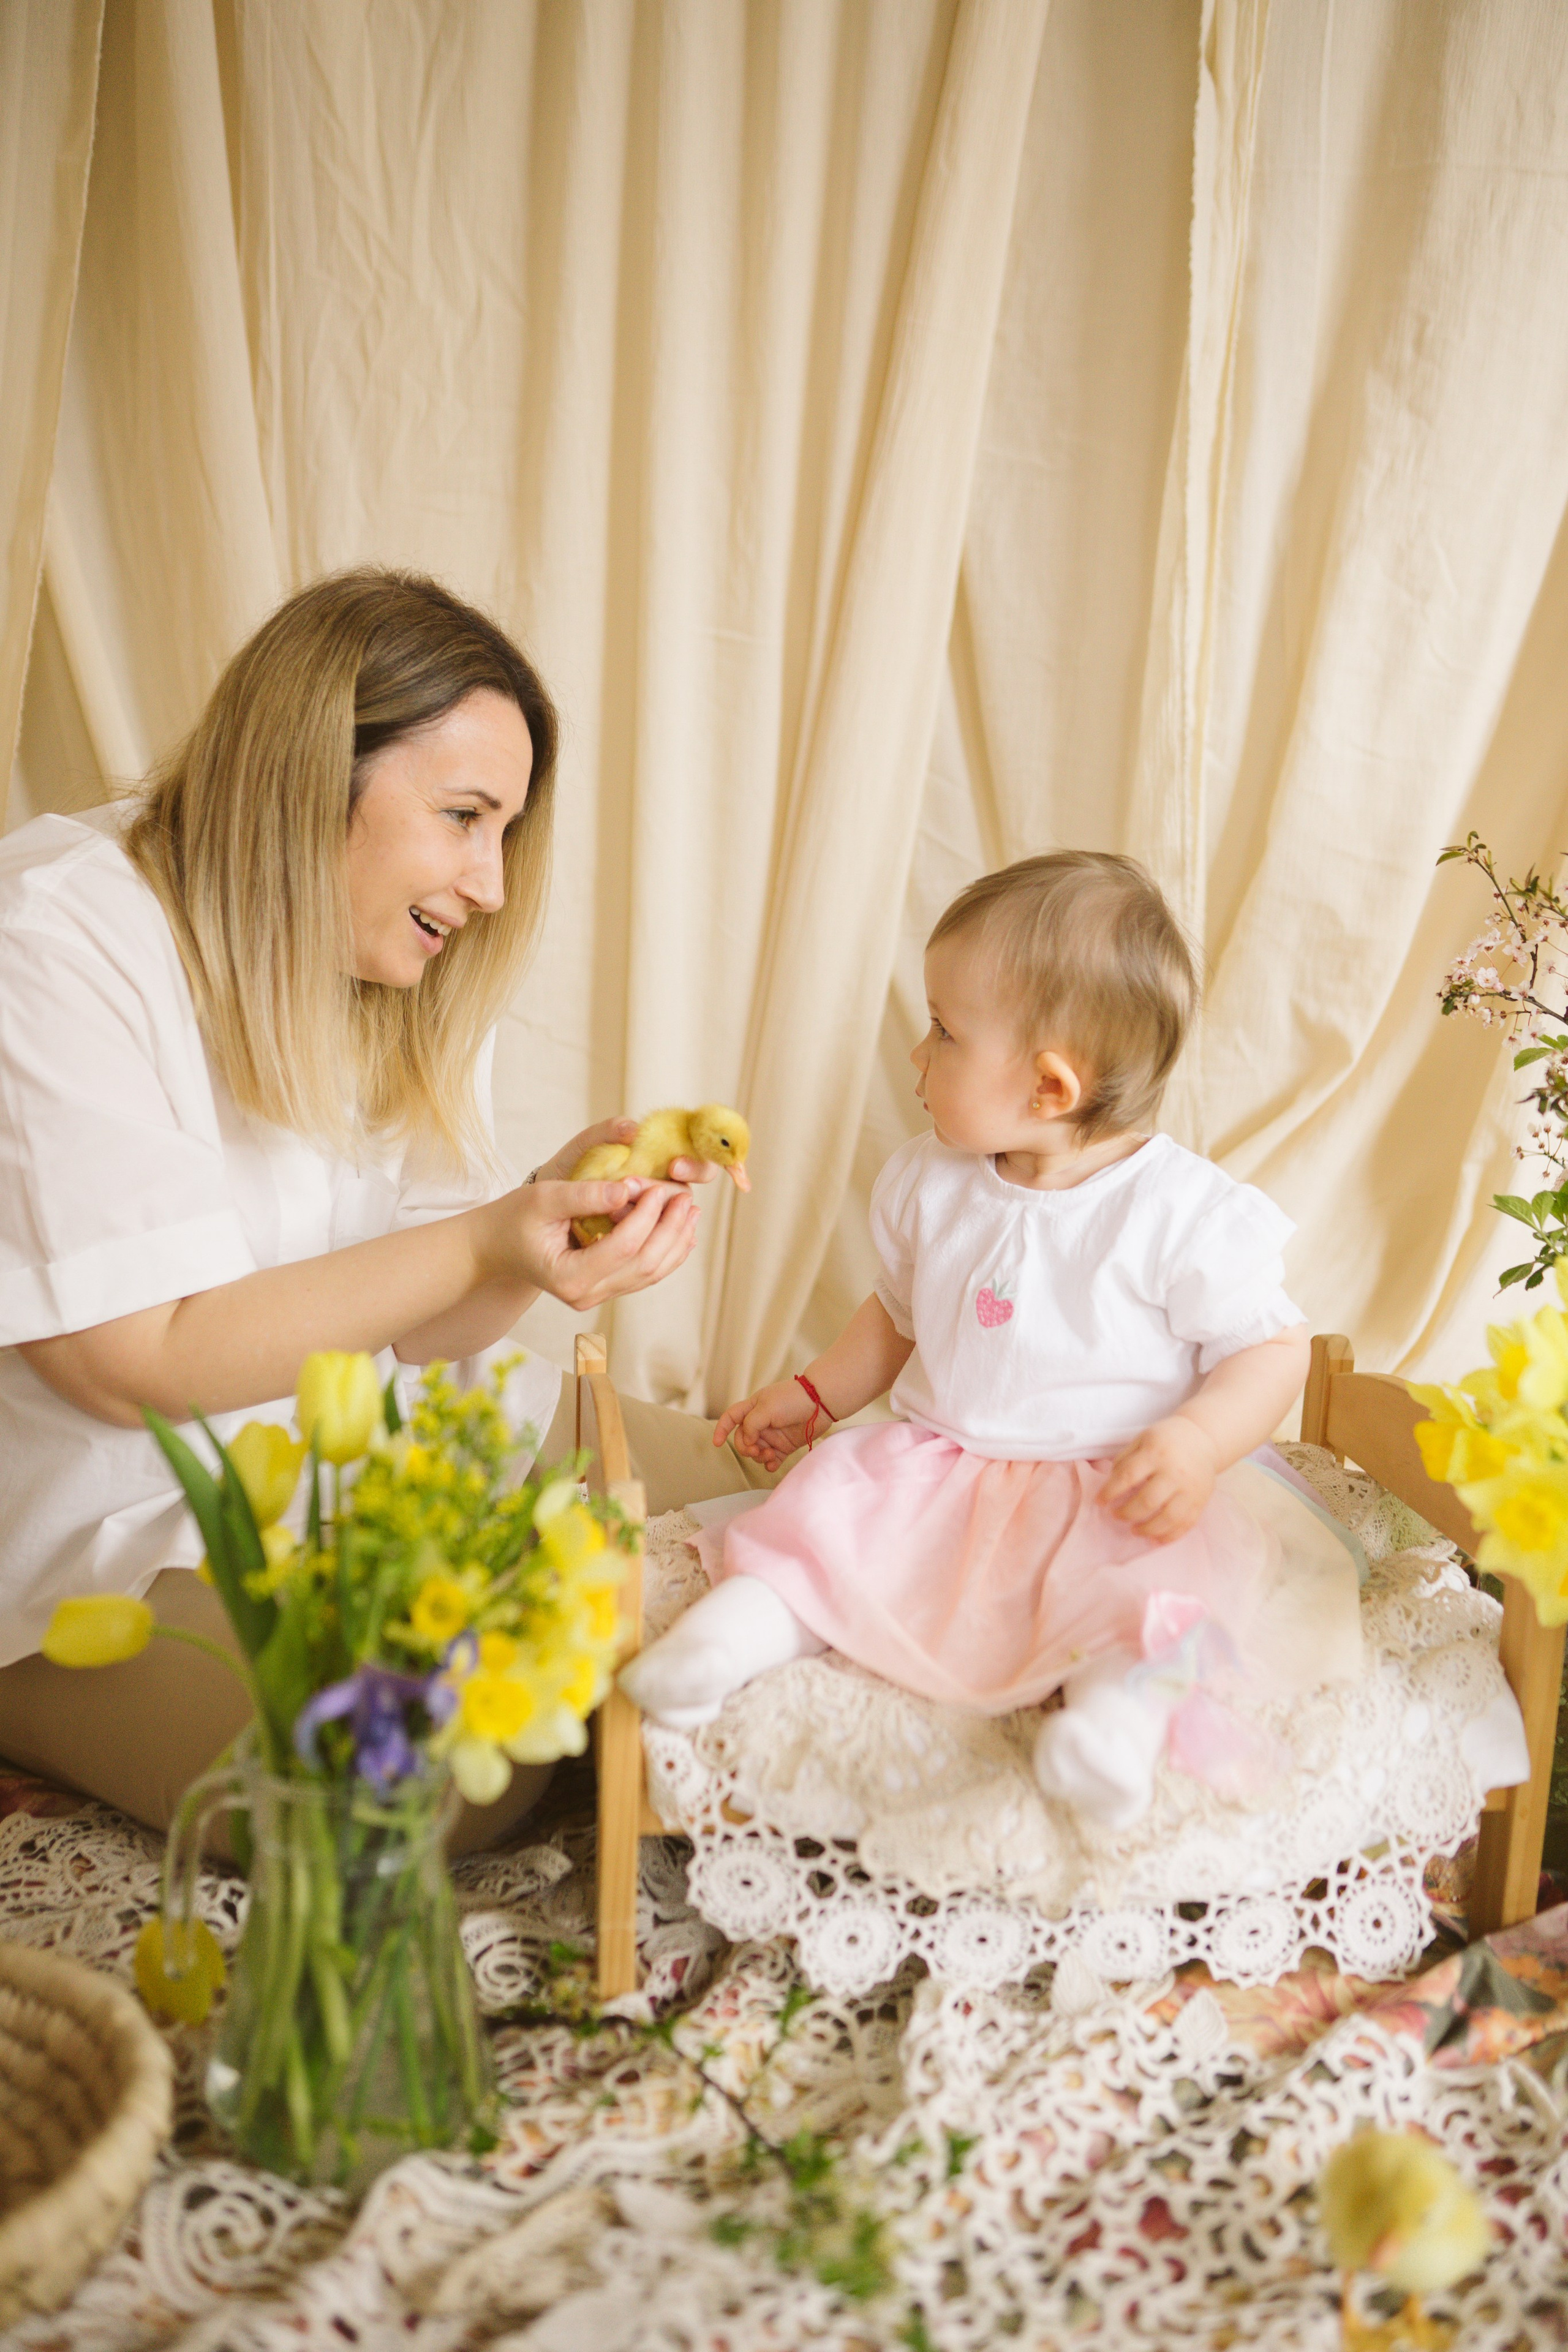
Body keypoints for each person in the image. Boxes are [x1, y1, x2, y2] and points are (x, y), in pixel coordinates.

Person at [0, 568, 767, 1844]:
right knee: (440, 1771)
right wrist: (480, 1241)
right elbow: (131, 1363)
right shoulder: (58, 934)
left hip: (354, 1448)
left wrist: (535, 1228)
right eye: (464, 816)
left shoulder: (386, 955)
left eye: (503, 831)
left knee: (766, 1496)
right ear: (310, 778)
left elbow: (422, 1329)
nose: (491, 885)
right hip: (104, 1516)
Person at [622, 852, 1365, 1830]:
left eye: (945, 1032)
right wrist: (812, 1398)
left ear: (1050, 1087)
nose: (918, 1056)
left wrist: (1196, 1443)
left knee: (1148, 1604)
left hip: (1112, 1488)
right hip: (941, 1468)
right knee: (827, 1530)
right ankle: (725, 1642)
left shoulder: (1180, 1214)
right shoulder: (933, 1182)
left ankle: (1114, 1729)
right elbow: (896, 1316)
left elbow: (1270, 1349)